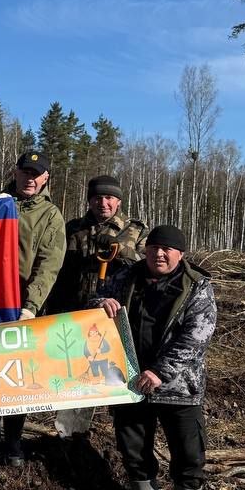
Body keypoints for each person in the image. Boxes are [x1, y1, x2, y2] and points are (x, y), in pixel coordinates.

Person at [96, 224, 216, 490]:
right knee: (135, 453)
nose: (159, 255)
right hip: (130, 384)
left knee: (189, 456)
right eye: (153, 248)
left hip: (179, 388)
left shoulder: (198, 286)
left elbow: (197, 335)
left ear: (180, 254)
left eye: (167, 250)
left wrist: (161, 371)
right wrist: (102, 302)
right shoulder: (125, 277)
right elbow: (93, 303)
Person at [0, 151, 66, 467]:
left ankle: (13, 440)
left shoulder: (50, 216)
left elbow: (48, 264)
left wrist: (31, 306)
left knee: (18, 375)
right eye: (25, 172)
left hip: (23, 306)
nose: (30, 179)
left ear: (45, 178)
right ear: (15, 174)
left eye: (36, 174)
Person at [48, 174, 146, 439]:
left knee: (119, 381)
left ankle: (126, 440)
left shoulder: (134, 231)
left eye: (109, 198)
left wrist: (120, 250)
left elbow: (147, 266)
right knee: (77, 381)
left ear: (119, 201)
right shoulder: (73, 229)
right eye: (97, 198)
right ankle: (70, 436)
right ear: (89, 200)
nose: (103, 203)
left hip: (116, 321)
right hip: (78, 318)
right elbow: (56, 270)